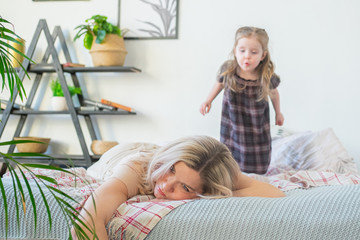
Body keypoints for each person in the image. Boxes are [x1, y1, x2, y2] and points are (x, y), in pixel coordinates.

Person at [72, 135, 285, 239]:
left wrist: (217, 191)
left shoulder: (205, 172)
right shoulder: (134, 170)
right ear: (168, 160)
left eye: (184, 186)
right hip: (121, 154)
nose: (165, 185)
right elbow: (87, 222)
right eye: (171, 170)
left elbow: (274, 193)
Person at [199, 26, 284, 174]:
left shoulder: (265, 75)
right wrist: (208, 100)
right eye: (242, 51)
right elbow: (219, 83)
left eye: (254, 52)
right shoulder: (229, 70)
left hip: (257, 124)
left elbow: (274, 93)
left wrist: (278, 113)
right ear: (235, 50)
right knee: (230, 150)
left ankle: (256, 175)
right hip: (233, 122)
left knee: (258, 152)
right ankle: (232, 173)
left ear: (263, 55)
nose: (247, 56)